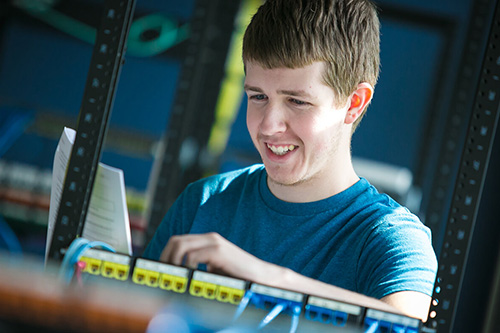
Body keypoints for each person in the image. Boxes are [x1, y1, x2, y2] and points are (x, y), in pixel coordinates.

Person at [143, 0, 437, 321]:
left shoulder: (393, 238)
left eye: (297, 101)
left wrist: (271, 280)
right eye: (258, 97)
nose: (269, 126)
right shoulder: (202, 202)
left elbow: (406, 324)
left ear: (354, 103)